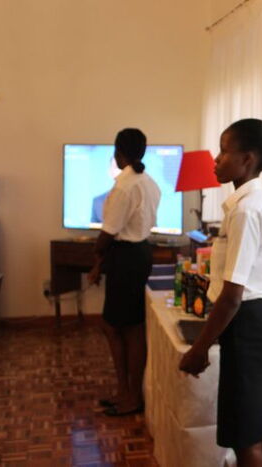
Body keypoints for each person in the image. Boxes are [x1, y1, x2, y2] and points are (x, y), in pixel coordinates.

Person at [179, 118, 262, 467]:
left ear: (248, 159)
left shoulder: (245, 211)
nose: (215, 159)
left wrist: (199, 348)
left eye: (224, 152)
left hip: (246, 324)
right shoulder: (251, 204)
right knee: (259, 428)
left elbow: (231, 295)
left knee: (245, 437)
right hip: (255, 322)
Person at [87, 128, 160, 417]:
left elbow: (108, 234)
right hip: (139, 254)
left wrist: (96, 261)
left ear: (118, 152)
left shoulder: (124, 186)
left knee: (119, 327)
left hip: (126, 258)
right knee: (131, 326)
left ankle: (129, 396)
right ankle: (127, 392)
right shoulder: (149, 182)